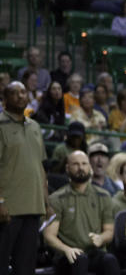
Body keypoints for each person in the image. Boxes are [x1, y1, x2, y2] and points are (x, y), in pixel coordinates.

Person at [43, 150, 120, 275]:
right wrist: (66, 249)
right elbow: (49, 236)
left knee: (110, 260)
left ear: (90, 167)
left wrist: (101, 238)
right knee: (80, 259)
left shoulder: (103, 196)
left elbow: (109, 231)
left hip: (93, 253)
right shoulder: (57, 198)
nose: (81, 168)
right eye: (76, 164)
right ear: (67, 168)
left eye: (84, 164)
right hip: (67, 255)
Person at [0, 81, 47, 275]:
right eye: (14, 93)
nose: (20, 96)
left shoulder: (35, 126)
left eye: (23, 92)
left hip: (33, 207)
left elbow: (40, 166)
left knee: (26, 267)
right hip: (8, 209)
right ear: (4, 100)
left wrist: (46, 200)